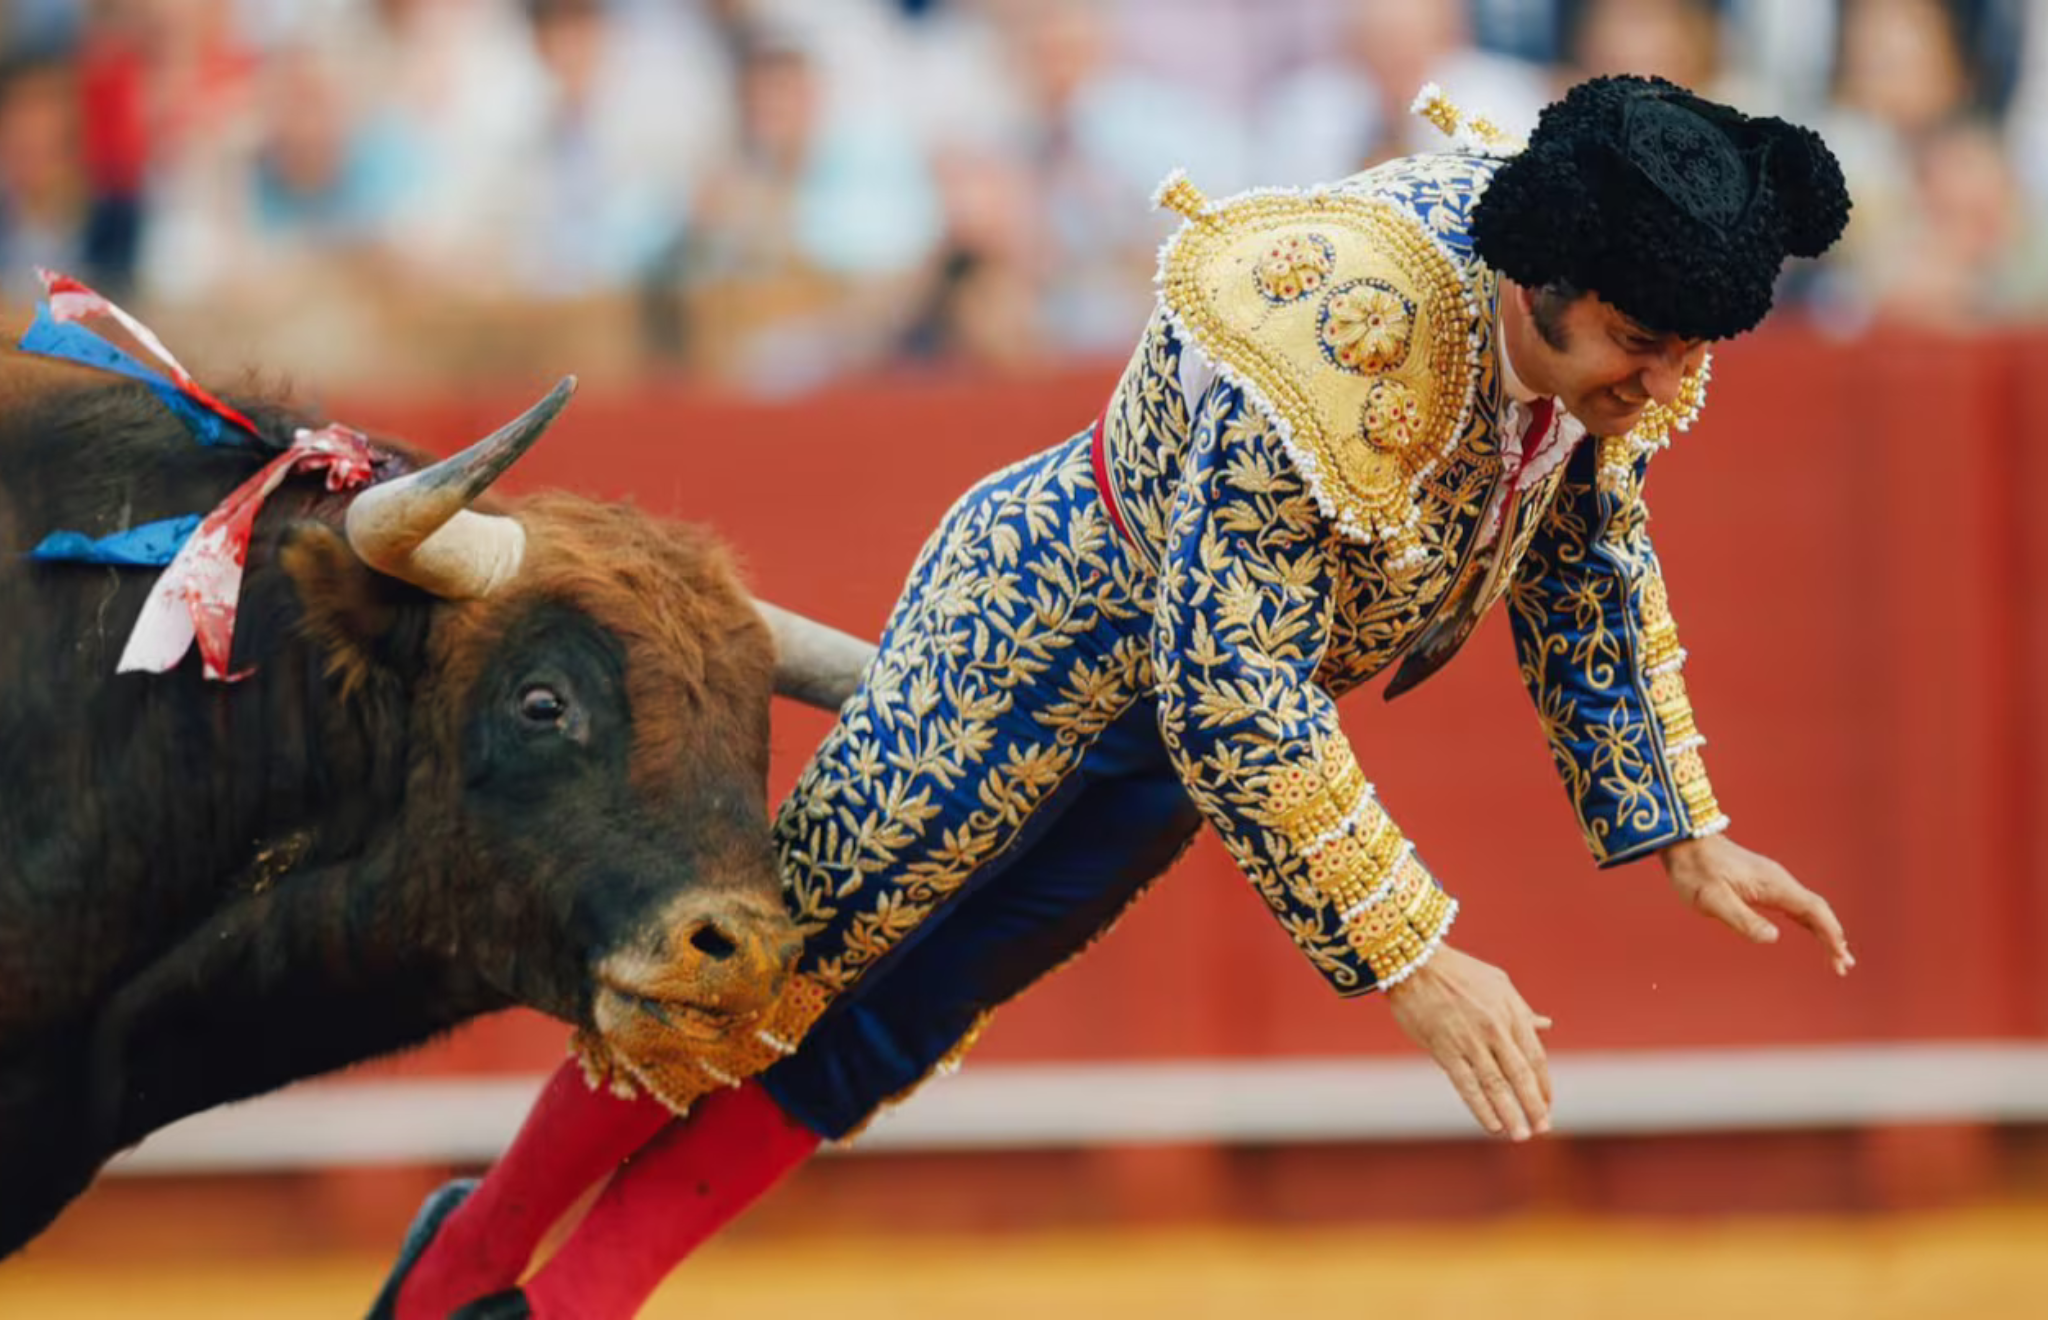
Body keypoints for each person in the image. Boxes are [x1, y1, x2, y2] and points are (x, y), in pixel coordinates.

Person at [370, 74, 1856, 1320]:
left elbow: (1585, 547)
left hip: (1190, 715)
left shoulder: (1612, 308)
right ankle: (473, 1261)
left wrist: (1678, 825)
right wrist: (1413, 955)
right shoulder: (1350, 329)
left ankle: (578, 1304)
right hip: (1037, 640)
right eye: (1644, 350)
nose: (1663, 388)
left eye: (1682, 355)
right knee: (773, 960)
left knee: (907, 1018)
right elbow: (1236, 692)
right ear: (1553, 288)